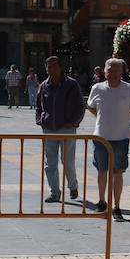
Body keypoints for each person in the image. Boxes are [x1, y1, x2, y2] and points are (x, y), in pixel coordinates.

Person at [86, 58, 130, 221]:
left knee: (118, 172)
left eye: (115, 70)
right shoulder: (97, 88)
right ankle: (101, 201)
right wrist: (99, 116)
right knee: (101, 170)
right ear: (104, 72)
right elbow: (90, 105)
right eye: (109, 70)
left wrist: (129, 117)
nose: (112, 73)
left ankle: (117, 206)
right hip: (100, 137)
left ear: (122, 72)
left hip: (121, 137)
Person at [34, 55, 85, 203]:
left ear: (61, 67)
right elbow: (38, 105)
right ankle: (55, 192)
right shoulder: (43, 85)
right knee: (50, 163)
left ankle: (73, 185)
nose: (51, 69)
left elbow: (80, 106)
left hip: (67, 129)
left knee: (67, 161)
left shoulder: (71, 84)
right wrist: (40, 119)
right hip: (49, 128)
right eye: (48, 67)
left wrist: (73, 122)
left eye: (54, 66)